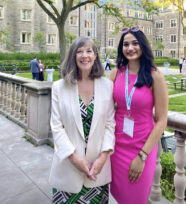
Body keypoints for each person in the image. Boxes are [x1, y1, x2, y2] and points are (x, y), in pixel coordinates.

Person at [49, 37, 115, 204]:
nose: (84, 55)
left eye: (89, 51)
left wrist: (103, 158)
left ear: (95, 56)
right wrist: (74, 159)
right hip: (68, 169)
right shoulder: (59, 87)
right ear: (73, 56)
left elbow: (110, 125)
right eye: (79, 51)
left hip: (96, 171)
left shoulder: (108, 86)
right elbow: (56, 127)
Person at [109, 26, 168, 204]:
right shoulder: (115, 73)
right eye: (125, 44)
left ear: (143, 46)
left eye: (135, 43)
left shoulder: (155, 76)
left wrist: (142, 156)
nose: (130, 48)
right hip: (117, 147)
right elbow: (107, 110)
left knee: (136, 198)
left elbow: (162, 120)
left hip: (142, 147)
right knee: (120, 197)